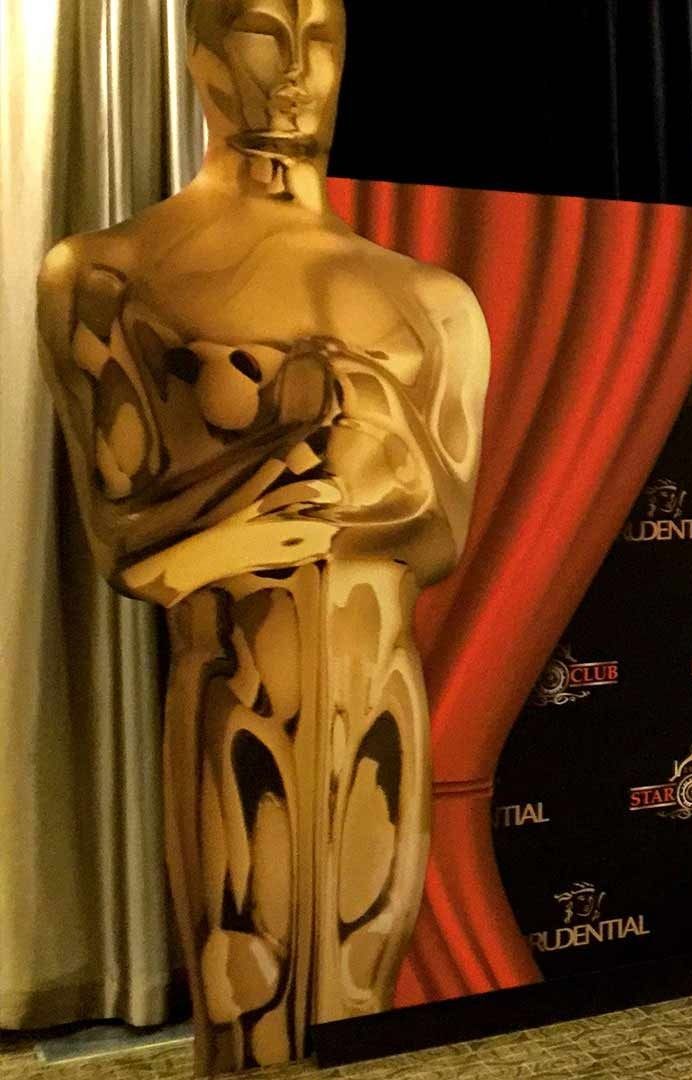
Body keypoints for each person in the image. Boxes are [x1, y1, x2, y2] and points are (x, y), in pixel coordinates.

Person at [34, 0, 488, 1069]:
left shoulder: (434, 299)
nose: (292, 73)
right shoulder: (110, 273)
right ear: (199, 52)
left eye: (320, 40)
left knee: (363, 1005)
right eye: (259, 34)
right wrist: (315, 463)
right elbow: (133, 550)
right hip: (238, 696)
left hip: (382, 700)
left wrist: (298, 485)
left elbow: (441, 534)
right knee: (245, 1010)